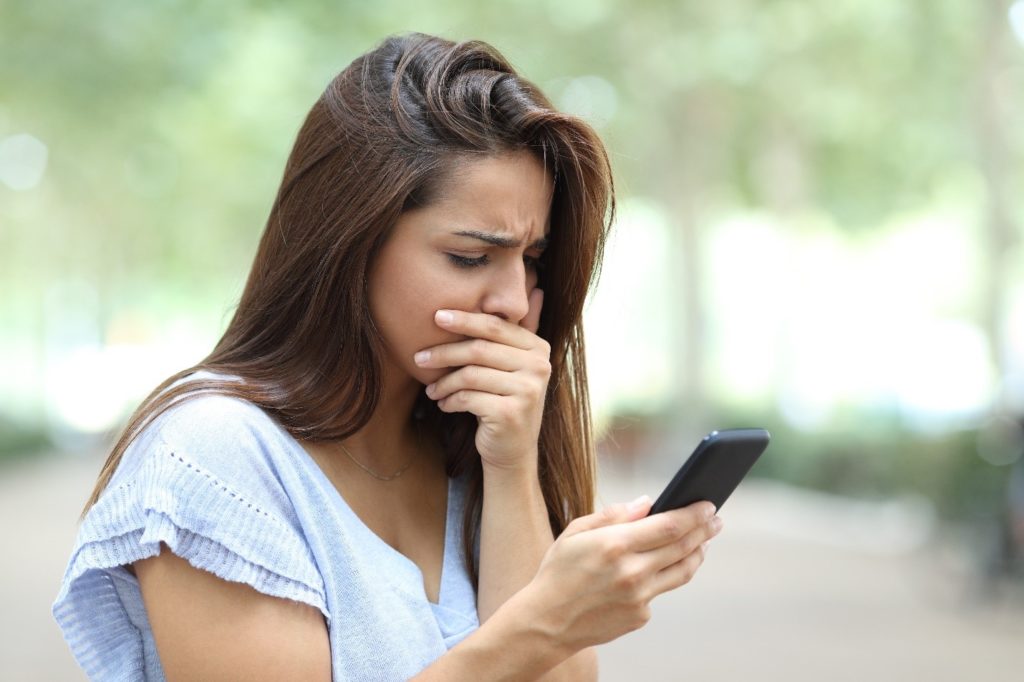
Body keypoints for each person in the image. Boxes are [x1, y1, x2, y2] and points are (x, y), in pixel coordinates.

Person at [52, 32, 724, 680]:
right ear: (350, 242)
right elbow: (532, 643)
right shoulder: (216, 457)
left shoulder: (469, 448)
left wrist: (513, 464)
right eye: (470, 257)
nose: (515, 302)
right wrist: (543, 621)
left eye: (532, 260)